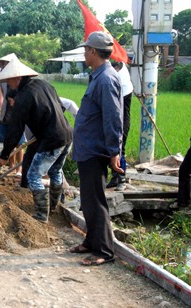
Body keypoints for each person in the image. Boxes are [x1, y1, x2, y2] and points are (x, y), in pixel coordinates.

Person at [0, 58, 73, 224]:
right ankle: (53, 207)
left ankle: (41, 215)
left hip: (52, 139)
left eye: (9, 80)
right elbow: (59, 106)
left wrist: (5, 155)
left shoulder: (23, 97)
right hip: (66, 135)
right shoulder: (43, 84)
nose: (8, 84)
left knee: (33, 175)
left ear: (18, 78)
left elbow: (15, 130)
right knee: (55, 171)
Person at [71, 31, 124, 266]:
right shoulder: (98, 76)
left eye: (85, 50)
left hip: (95, 149)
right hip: (87, 148)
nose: (84, 54)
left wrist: (114, 151)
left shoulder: (105, 79)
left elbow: (113, 118)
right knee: (88, 199)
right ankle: (91, 242)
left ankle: (104, 250)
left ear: (93, 51)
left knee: (96, 199)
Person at [0, 53, 26, 177]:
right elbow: (4, 95)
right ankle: (12, 167)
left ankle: (19, 169)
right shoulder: (3, 80)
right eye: (3, 64)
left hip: (18, 114)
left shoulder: (20, 79)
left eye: (5, 63)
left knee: (20, 143)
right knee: (9, 142)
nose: (3, 66)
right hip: (5, 114)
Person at [106, 61, 133, 190]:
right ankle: (115, 177)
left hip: (121, 122)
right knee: (111, 150)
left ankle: (122, 178)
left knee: (120, 149)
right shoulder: (122, 78)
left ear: (117, 68)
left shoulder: (123, 86)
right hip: (116, 121)